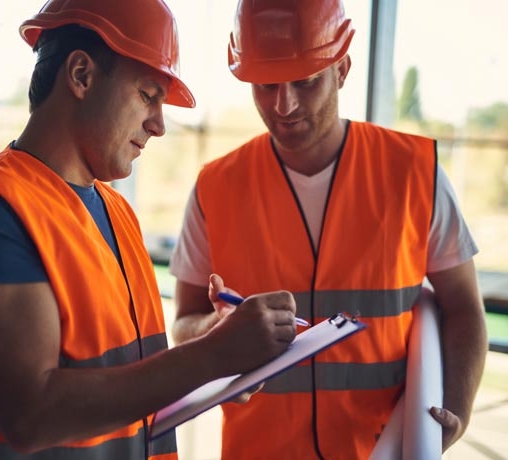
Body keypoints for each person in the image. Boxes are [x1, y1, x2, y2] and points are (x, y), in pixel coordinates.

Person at [0, 1, 299, 458]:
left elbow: (127, 389)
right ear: (81, 75)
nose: (158, 126)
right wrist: (211, 355)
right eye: (148, 96)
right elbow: (32, 415)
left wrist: (221, 363)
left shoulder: (117, 214)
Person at [169, 0, 488, 458]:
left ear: (343, 69)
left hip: (380, 450)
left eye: (305, 81)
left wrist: (456, 409)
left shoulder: (416, 174)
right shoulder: (215, 187)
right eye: (266, 85)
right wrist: (215, 331)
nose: (284, 104)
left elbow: (463, 309)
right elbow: (183, 323)